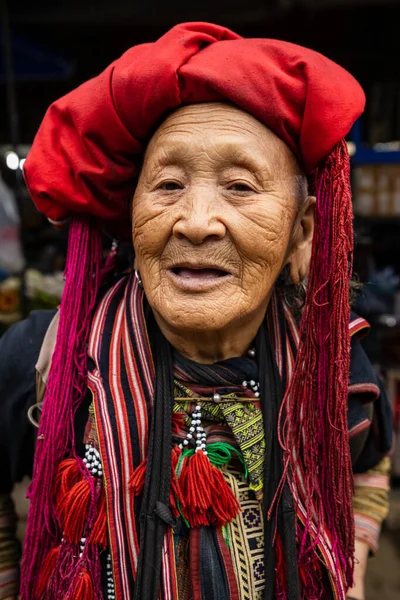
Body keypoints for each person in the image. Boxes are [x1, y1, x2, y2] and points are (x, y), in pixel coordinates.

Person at [0, 22, 392, 600]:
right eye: (167, 185)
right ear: (130, 216)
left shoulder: (334, 364)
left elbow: (370, 462)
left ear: (301, 232)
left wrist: (351, 567)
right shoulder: (45, 361)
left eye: (239, 186)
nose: (197, 220)